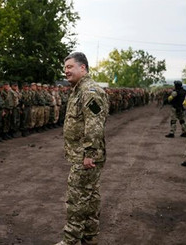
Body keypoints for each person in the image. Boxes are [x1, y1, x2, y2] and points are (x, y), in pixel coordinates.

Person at [56, 52, 109, 245]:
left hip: (85, 156)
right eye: (65, 68)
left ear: (83, 68)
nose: (66, 71)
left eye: (70, 67)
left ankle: (70, 241)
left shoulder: (89, 91)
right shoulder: (79, 90)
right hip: (84, 154)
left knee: (77, 199)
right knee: (90, 197)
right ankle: (90, 236)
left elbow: (94, 124)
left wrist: (89, 154)